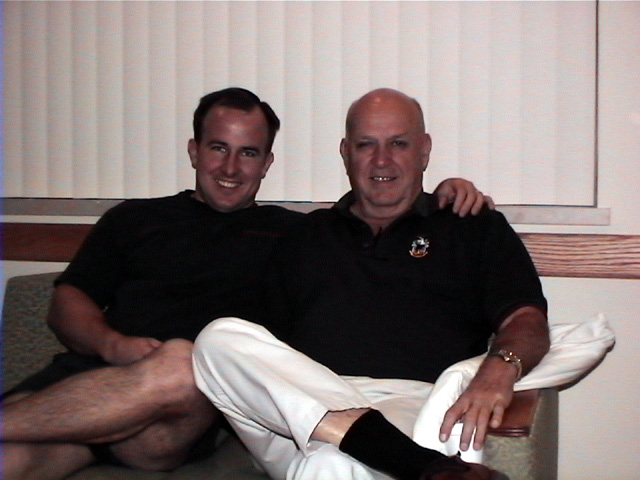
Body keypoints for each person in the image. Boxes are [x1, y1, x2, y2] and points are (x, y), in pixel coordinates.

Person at [0, 87, 492, 480]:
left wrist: (445, 195)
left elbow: (379, 232)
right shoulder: (133, 219)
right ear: (194, 151)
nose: (231, 168)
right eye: (218, 148)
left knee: (185, 359)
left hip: (181, 411)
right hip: (88, 391)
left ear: (267, 163)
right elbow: (67, 302)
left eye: (249, 153)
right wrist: (112, 345)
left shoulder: (295, 235)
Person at [192, 89, 551, 480]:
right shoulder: (303, 235)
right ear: (346, 153)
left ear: (424, 151)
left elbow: (527, 321)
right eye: (366, 145)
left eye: (398, 144)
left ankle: (399, 456)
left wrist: (502, 368)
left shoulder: (471, 226)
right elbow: (262, 353)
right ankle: (425, 467)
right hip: (301, 411)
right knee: (217, 338)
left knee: (330, 464)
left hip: (412, 404)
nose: (382, 160)